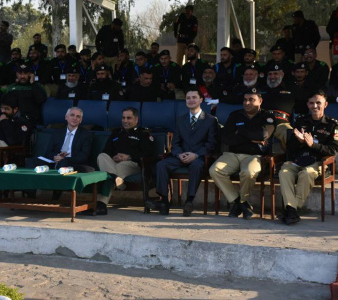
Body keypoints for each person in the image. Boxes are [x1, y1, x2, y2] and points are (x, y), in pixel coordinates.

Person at [209, 88, 275, 220]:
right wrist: (251, 137)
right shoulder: (235, 115)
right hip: (233, 154)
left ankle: (239, 203)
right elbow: (225, 138)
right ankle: (241, 203)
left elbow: (263, 135)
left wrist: (239, 132)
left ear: (260, 101)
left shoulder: (267, 116)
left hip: (254, 155)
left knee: (248, 173)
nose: (247, 103)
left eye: (252, 100)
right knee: (214, 170)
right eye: (245, 100)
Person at [150, 87, 218, 216]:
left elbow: (212, 144)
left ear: (201, 100)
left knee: (196, 165)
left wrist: (196, 154)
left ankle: (189, 201)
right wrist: (179, 154)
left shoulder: (210, 120)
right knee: (161, 164)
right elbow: (175, 143)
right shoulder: (181, 119)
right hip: (181, 156)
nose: (191, 100)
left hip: (199, 157)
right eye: (188, 98)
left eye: (194, 97)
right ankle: (164, 201)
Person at [278, 91, 338, 225]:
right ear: (307, 104)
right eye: (311, 103)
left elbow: (333, 150)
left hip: (318, 162)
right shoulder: (301, 122)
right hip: (298, 160)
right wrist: (299, 142)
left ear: (326, 104)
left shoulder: (332, 124)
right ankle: (292, 211)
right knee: (284, 172)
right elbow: (290, 148)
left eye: (318, 103)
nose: (315, 106)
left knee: (306, 173)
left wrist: (313, 145)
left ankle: (291, 209)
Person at [25, 107, 93, 199]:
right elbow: (48, 152)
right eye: (72, 115)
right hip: (55, 160)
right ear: (66, 117)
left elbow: (84, 156)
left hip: (71, 162)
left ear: (80, 120)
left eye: (78, 116)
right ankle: (31, 194)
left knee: (63, 163)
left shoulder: (85, 135)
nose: (75, 118)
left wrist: (64, 159)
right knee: (31, 161)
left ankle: (56, 196)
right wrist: (55, 156)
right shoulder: (57, 133)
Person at [97, 107, 155, 215]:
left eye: (129, 118)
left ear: (136, 119)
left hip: (131, 164)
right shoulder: (116, 133)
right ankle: (116, 179)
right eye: (123, 118)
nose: (125, 120)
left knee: (110, 172)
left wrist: (128, 157)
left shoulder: (143, 134)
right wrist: (114, 157)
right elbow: (106, 150)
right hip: (113, 162)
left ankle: (101, 204)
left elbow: (147, 154)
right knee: (102, 156)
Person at [262, 64, 295, 151]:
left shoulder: (291, 88)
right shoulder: (261, 90)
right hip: (262, 122)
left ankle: (291, 160)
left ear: (282, 75)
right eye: (270, 74)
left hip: (281, 123)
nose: (272, 76)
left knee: (288, 133)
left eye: (275, 74)